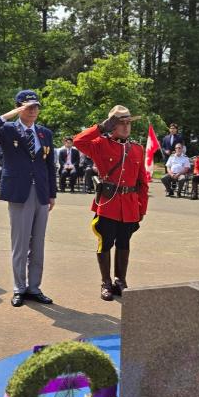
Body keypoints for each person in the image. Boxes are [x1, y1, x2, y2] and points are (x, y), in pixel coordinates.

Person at [0, 89, 57, 307]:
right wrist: (10, 114)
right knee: (20, 243)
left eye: (36, 107)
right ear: (19, 108)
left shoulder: (44, 133)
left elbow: (49, 165)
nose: (33, 111)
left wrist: (52, 193)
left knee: (38, 243)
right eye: (28, 107)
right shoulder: (7, 129)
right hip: (19, 191)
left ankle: (34, 287)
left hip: (41, 192)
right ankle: (19, 287)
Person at [73, 105, 148, 301]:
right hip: (108, 204)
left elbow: (142, 183)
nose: (125, 127)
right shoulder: (100, 144)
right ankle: (106, 282)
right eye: (120, 123)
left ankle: (120, 281)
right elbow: (78, 141)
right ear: (112, 125)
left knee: (124, 243)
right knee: (105, 243)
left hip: (130, 205)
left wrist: (142, 208)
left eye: (128, 123)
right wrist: (101, 127)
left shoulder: (137, 149)